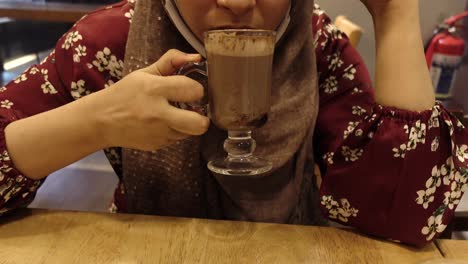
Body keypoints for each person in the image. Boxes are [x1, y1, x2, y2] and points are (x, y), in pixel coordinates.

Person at [0, 0, 466, 247]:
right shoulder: (108, 41)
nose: (238, 2)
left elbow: (409, 215)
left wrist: (397, 16)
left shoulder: (319, 50)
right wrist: (94, 121)